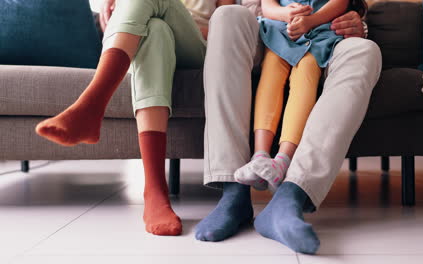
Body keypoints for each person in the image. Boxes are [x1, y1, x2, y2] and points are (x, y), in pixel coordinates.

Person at [196, 0, 382, 254]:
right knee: (228, 14)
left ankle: (291, 196)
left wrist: (356, 22)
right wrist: (281, 16)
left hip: (323, 35)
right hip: (263, 32)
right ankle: (233, 193)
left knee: (365, 50)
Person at [35, 0, 234, 236]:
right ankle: (155, 191)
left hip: (195, 46)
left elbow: (224, 28)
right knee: (157, 31)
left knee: (159, 18)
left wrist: (169, 15)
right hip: (146, 37)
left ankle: (92, 105)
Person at [234, 0, 367, 193]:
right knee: (271, 71)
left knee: (305, 72)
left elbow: (340, 3)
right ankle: (260, 155)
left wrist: (310, 21)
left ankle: (283, 159)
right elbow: (268, 5)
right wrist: (283, 14)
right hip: (280, 29)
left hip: (319, 32)